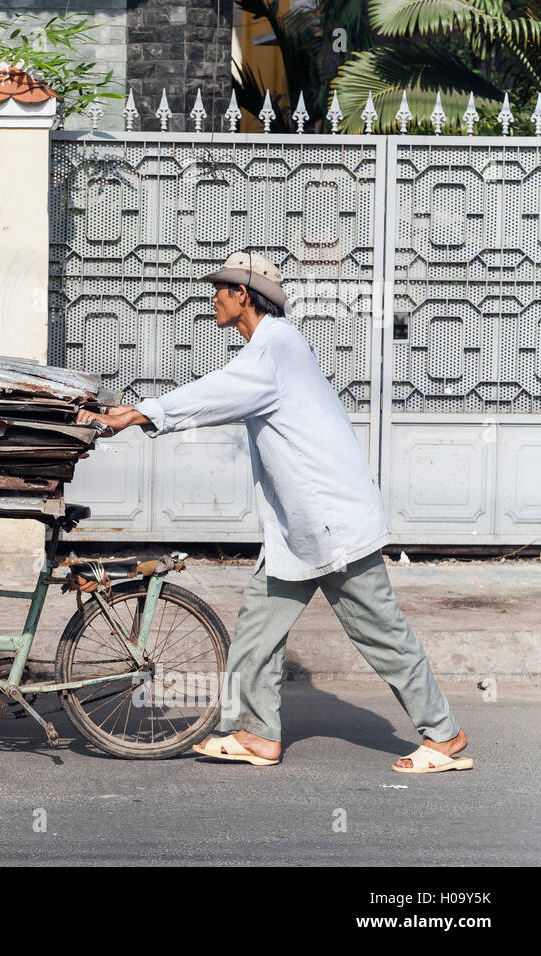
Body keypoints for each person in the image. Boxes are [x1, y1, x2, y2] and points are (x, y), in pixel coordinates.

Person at [75, 251, 472, 773]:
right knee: (257, 630)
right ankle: (257, 734)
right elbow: (221, 393)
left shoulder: (275, 348)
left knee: (382, 635)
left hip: (333, 528)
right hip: (298, 532)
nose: (212, 297)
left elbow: (214, 394)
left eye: (221, 288)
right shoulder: (270, 349)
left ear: (244, 296)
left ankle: (442, 735)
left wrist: (136, 414)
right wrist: (135, 414)